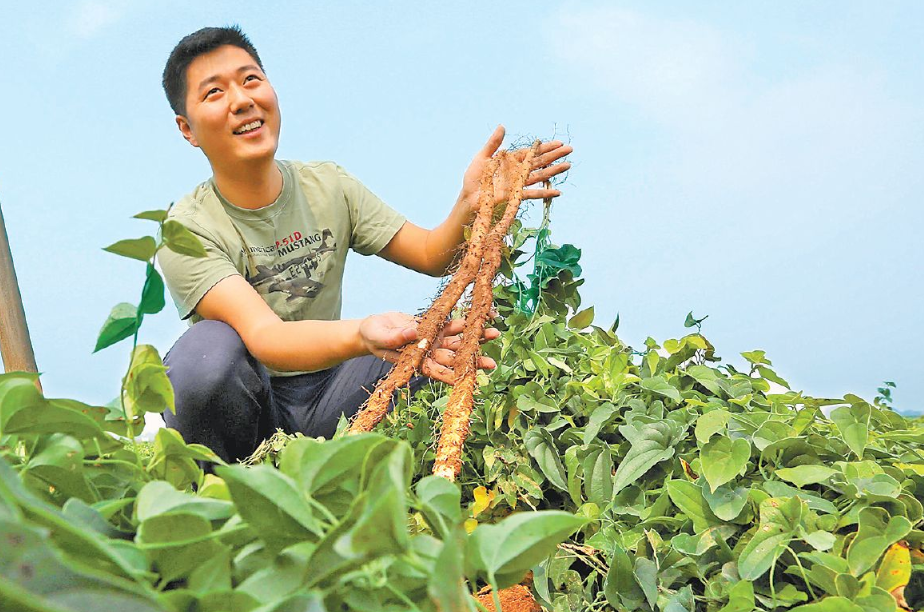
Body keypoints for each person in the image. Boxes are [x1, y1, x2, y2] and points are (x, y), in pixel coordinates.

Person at [156, 26, 572, 464]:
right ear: (188, 129)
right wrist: (361, 333)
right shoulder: (187, 229)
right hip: (246, 406)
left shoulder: (329, 186)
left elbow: (433, 255)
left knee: (449, 339)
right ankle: (222, 490)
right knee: (203, 358)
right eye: (214, 93)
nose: (242, 100)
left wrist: (471, 203)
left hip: (330, 395)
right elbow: (266, 337)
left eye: (250, 79)